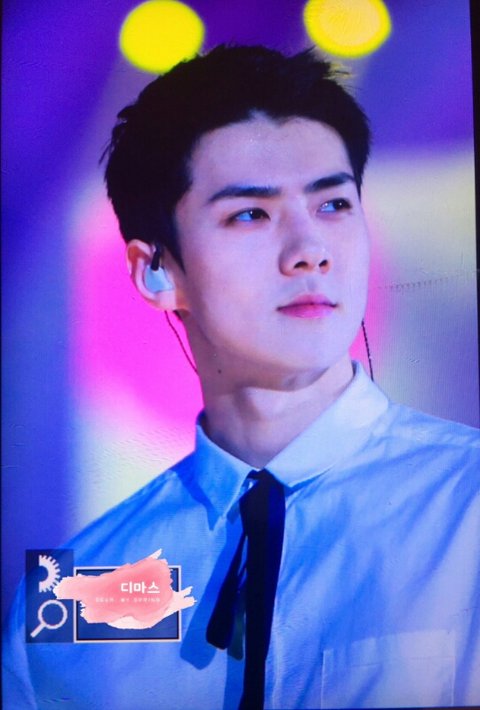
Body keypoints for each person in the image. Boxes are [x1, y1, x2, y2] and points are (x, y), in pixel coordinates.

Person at [3, 45, 479, 710]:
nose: (309, 250)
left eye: (334, 205)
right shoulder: (76, 592)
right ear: (155, 272)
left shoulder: (465, 507)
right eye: (250, 214)